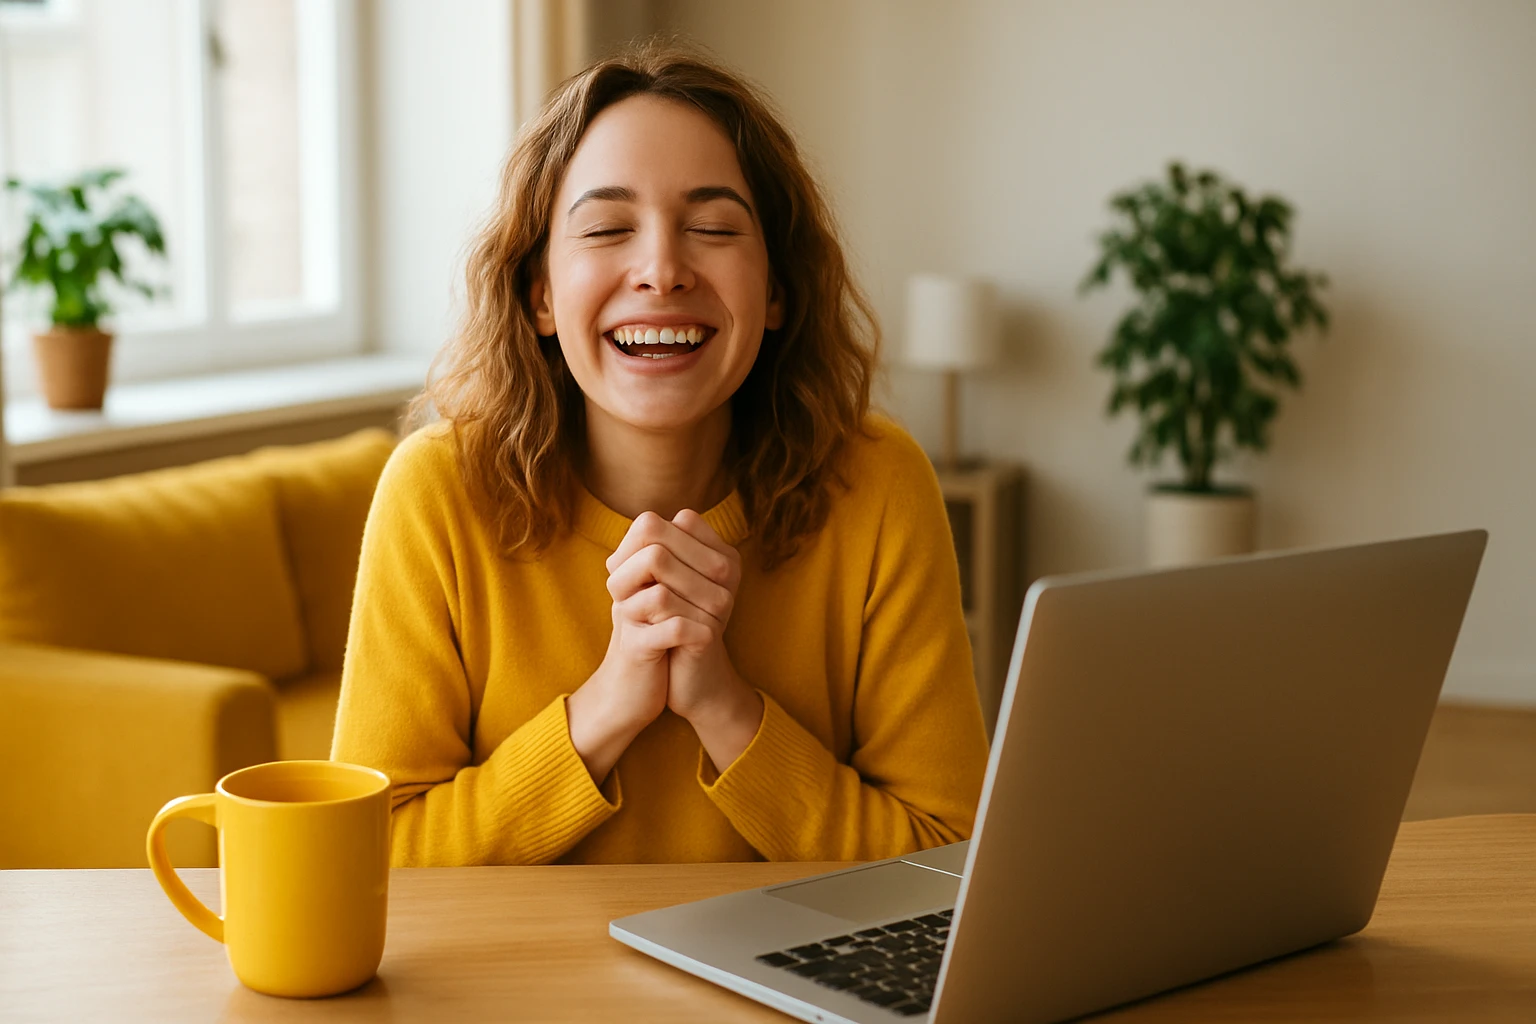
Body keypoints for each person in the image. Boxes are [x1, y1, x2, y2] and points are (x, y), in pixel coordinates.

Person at [331, 44, 989, 867]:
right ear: (540, 293)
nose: (662, 271)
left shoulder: (879, 484)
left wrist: (725, 708)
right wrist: (606, 708)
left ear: (776, 289)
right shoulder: (436, 492)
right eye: (607, 229)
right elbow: (369, 863)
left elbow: (948, 861)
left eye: (712, 228)